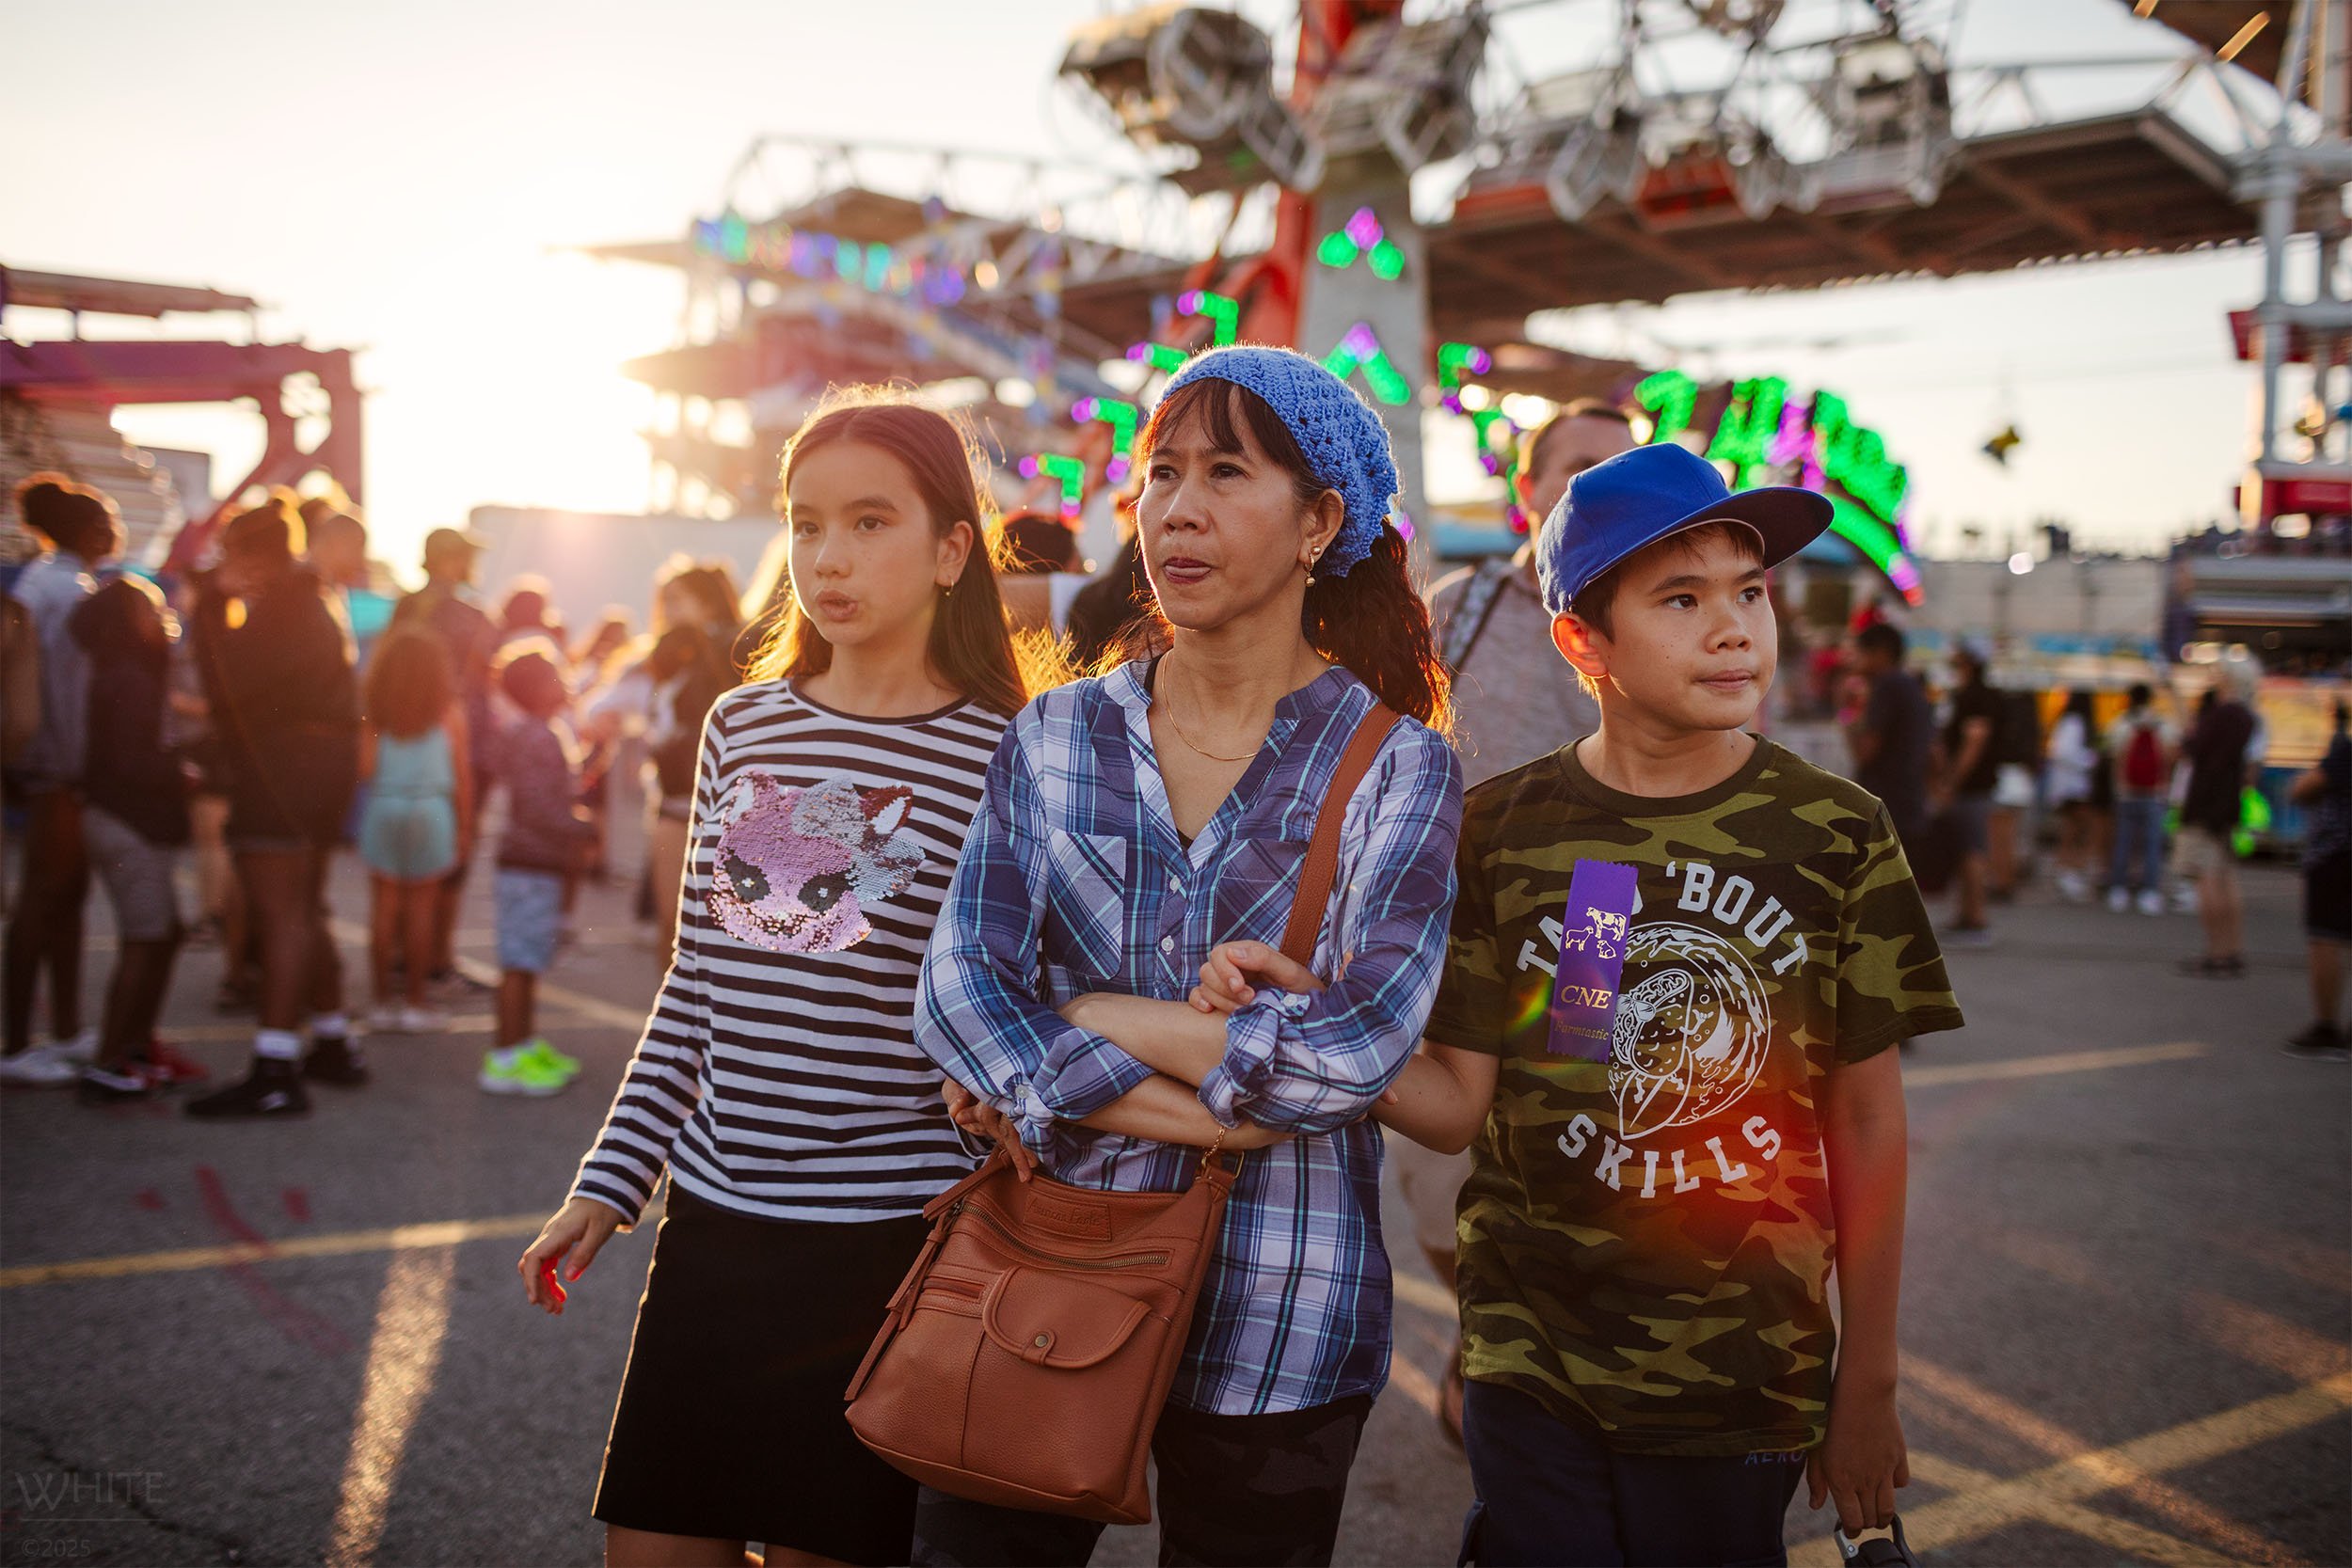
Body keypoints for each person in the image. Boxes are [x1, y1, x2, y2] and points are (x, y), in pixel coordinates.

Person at [1281, 441, 1963, 1566]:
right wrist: (1314, 1011)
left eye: (1749, 591)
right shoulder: (1512, 830)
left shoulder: (1835, 835)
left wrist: (1868, 1382)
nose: (1734, 626)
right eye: (1681, 597)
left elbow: (1866, 1119)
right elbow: (1492, 1092)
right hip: (1530, 1360)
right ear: (1581, 643)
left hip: (1739, 1374)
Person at [914, 346, 1463, 1567]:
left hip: (1285, 1313)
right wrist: (1216, 1115)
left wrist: (1097, 1021)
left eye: (1226, 471)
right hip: (1045, 1262)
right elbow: (959, 992)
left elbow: (1354, 1048)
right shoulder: (1056, 733)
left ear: (1322, 520)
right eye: (1161, 471)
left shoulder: (1397, 767)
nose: (1178, 506)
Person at [517, 389, 1031, 1567]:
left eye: (867, 521)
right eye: (805, 524)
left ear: (954, 547)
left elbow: (1012, 996)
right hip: (713, 1224)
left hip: (887, 1247)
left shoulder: (1011, 747)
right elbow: (697, 984)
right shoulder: (742, 724)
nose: (827, 557)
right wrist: (608, 1182)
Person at [1396, 400, 1640, 1442]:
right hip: (1452, 919)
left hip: (1596, 916)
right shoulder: (1464, 605)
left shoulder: (1655, 614)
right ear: (1527, 493)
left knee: (1562, 1152)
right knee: (1428, 1170)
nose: (1596, 491)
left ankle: (1537, 1360)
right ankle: (1479, 1308)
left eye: (1619, 474)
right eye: (1576, 469)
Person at [183, 498, 365, 1118]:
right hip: (317, 773)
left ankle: (275, 1066)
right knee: (306, 908)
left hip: (284, 773)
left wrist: (211, 603)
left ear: (248, 553)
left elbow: (224, 685)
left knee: (282, 913)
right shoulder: (315, 595)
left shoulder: (285, 602)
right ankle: (333, 1039)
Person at [3, 474, 121, 1085]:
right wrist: (71, 769)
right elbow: (67, 696)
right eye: (106, 522)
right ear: (86, 531)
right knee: (43, 897)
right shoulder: (67, 589)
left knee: (67, 893)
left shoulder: (42, 580)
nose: (116, 532)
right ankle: (19, 1041)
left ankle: (68, 1028)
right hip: (59, 764)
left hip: (53, 761)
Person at [69, 576, 194, 1101]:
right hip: (128, 821)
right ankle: (110, 1060)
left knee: (163, 935)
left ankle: (137, 1046)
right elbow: (130, 762)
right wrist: (183, 773)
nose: (161, 614)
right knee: (145, 939)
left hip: (132, 819)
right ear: (129, 619)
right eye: (151, 607)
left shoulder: (130, 671)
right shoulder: (127, 677)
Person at [480, 643, 592, 1095]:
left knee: (527, 962)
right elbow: (538, 805)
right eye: (552, 675)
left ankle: (523, 1047)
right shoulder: (535, 736)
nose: (562, 681)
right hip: (528, 864)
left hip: (534, 864)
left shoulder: (539, 731)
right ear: (533, 689)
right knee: (519, 964)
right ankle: (505, 1058)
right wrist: (580, 827)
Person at [391, 527, 500, 988]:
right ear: (451, 560)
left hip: (404, 744)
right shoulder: (471, 615)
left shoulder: (405, 608)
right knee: (453, 854)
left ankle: (401, 958)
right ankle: (437, 960)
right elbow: (486, 681)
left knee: (401, 860)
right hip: (462, 746)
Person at [357, 627, 472, 1033]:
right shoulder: (449, 712)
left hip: (385, 805)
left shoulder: (376, 713)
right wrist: (466, 828)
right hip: (432, 809)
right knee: (422, 909)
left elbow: (365, 769)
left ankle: (380, 1001)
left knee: (384, 911)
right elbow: (462, 777)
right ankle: (416, 1000)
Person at [2173, 663, 2261, 977]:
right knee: (2225, 877)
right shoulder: (2248, 717)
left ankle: (2217, 952)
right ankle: (2231, 950)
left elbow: (2195, 751)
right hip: (2226, 807)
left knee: (2206, 877)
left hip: (2205, 806)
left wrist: (2189, 727)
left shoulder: (2223, 715)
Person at [2286, 700, 2351, 1058]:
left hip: (2337, 854)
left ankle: (2327, 1026)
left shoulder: (2346, 751)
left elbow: (2307, 787)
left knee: (2325, 938)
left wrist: (2300, 785)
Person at [1840, 621, 1933, 847]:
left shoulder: (1887, 686)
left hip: (1886, 806)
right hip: (1909, 802)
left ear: (1880, 652)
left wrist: (1846, 713)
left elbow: (1865, 752)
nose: (1855, 660)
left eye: (1860, 652)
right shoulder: (1910, 686)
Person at [1933, 642, 2001, 943]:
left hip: (1971, 787)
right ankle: (1967, 915)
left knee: (1971, 850)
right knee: (1965, 849)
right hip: (1972, 786)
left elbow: (1975, 741)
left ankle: (1975, 918)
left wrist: (1952, 781)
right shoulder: (1970, 694)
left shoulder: (1975, 696)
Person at [2105, 682, 2174, 915]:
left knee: (2123, 841)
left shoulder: (2121, 724)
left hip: (2126, 792)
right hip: (2155, 792)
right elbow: (2172, 755)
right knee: (2153, 844)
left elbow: (2113, 756)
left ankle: (2118, 888)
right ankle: (2150, 891)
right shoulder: (2162, 724)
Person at [2044, 689, 2104, 902]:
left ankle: (2067, 869)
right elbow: (2064, 753)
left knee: (2072, 829)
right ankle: (2068, 869)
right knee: (2076, 829)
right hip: (2074, 787)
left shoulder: (2067, 722)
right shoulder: (2075, 723)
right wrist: (2089, 760)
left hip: (2069, 786)